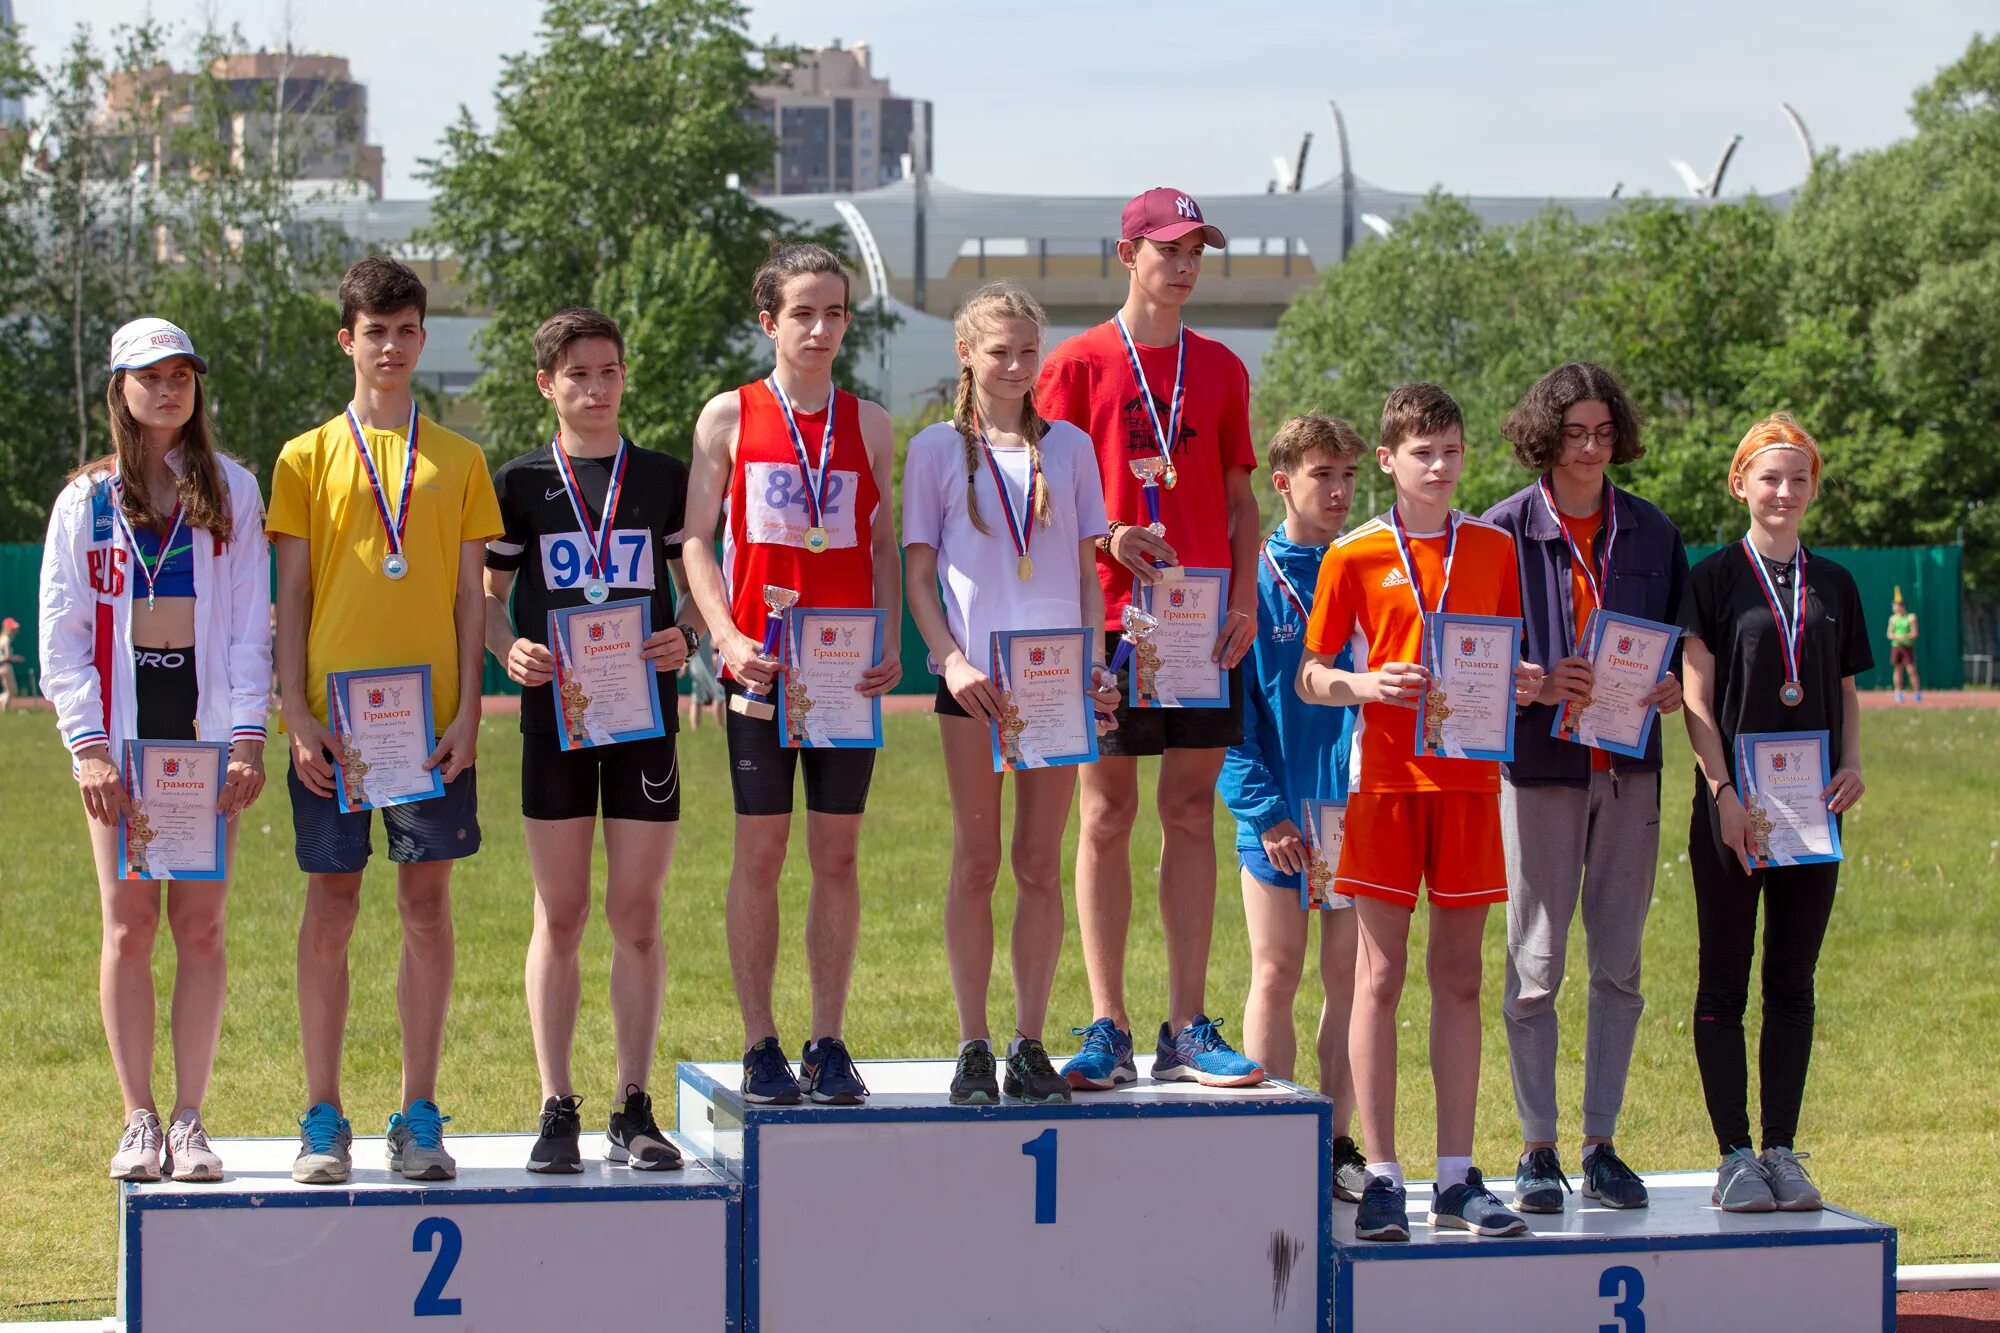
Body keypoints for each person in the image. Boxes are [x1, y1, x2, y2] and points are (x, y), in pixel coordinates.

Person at [270, 257, 503, 1184]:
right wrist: (292, 710)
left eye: (408, 331)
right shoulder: (305, 456)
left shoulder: (461, 458)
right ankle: (323, 1116)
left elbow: (470, 599)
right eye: (377, 332)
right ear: (348, 340)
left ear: (421, 337)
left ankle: (419, 1113)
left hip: (430, 725)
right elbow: (292, 593)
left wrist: (472, 712)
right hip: (332, 726)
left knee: (426, 907)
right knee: (332, 905)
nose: (394, 347)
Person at [1295, 383, 1544, 1242]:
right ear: (1390, 463)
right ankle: (1386, 1176)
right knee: (1377, 975)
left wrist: (1525, 684)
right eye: (1422, 453)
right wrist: (1366, 684)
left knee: (1463, 977)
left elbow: (1511, 663)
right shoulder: (1356, 553)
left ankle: (1457, 1174)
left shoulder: (1494, 547)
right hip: (1385, 786)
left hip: (1471, 783)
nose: (1439, 466)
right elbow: (1311, 674)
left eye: (1452, 450)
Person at [1036, 188, 1264, 1090]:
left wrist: (1245, 596)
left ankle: (1186, 1023)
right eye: (1167, 247)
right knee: (1105, 814)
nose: (1183, 263)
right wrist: (1107, 540)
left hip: (1203, 623)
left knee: (1190, 814)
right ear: (1127, 253)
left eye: (1194, 248)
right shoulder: (1077, 364)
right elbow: (1041, 499)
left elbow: (1242, 500)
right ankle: (1107, 1021)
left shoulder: (1220, 367)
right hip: (1107, 624)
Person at [38, 318, 271, 1181]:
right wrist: (88, 748)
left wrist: (248, 736)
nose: (169, 388)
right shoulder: (83, 502)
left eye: (182, 374)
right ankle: (138, 1117)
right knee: (130, 927)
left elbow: (251, 625)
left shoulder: (234, 490)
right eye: (150, 375)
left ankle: (191, 1116)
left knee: (201, 928)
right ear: (120, 389)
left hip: (205, 743)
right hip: (124, 744)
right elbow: (62, 637)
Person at [681, 243, 902, 1106]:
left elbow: (881, 542)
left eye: (836, 312)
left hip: (844, 672)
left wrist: (886, 634)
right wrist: (725, 637)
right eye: (803, 312)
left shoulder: (872, 423)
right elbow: (696, 538)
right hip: (760, 667)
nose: (820, 328)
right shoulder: (727, 417)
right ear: (769, 320)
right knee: (761, 852)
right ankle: (760, 1041)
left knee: (837, 854)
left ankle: (829, 1038)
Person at [484, 308, 698, 1173]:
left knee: (636, 913)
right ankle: (556, 1102)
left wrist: (688, 631)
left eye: (608, 371)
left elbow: (701, 587)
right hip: (555, 722)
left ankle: (633, 1102)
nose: (596, 388)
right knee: (562, 913)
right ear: (548, 384)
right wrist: (509, 647)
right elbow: (486, 599)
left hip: (644, 719)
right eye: (578, 375)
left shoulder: (663, 478)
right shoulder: (521, 481)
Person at [903, 283, 1120, 1105]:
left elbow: (1087, 571)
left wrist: (1096, 660)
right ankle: (972, 1043)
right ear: (966, 353)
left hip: (1056, 682)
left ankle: (1029, 1041)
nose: (1018, 366)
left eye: (1030, 351)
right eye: (1000, 351)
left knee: (1038, 864)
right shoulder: (934, 450)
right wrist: (950, 659)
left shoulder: (1067, 447)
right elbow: (921, 577)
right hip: (976, 684)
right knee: (976, 860)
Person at [1483, 363, 1688, 1214]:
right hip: (1540, 771)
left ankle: (1601, 1143)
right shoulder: (1499, 532)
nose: (1592, 447)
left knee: (1621, 967)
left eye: (1604, 431)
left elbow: (1676, 644)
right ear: (1546, 435)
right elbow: (1468, 664)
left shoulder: (1651, 530)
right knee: (1536, 963)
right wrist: (1528, 678)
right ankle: (1537, 1148)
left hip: (1629, 770)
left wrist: (1672, 682)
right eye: (1575, 433)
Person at [1679, 412, 1868, 1213]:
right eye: (1769, 477)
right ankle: (1732, 1154)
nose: (1783, 491)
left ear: (1812, 488)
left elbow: (1848, 692)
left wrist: (1853, 764)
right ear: (1740, 484)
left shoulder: (1836, 585)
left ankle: (1782, 1148)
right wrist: (1722, 794)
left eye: (1797, 478)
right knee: (1725, 982)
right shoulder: (1714, 577)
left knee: (1792, 981)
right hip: (1735, 811)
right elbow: (1693, 695)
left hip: (1810, 811)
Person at [1220, 414, 1368, 1198]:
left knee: (1347, 981)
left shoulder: (1370, 566)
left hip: (1355, 808)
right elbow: (1227, 712)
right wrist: (1264, 810)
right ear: (1282, 482)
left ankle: (1339, 1142)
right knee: (1276, 970)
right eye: (1322, 475)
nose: (1339, 490)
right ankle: (1273, 1136)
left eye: (1347, 474)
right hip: (1277, 811)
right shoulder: (1250, 577)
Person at [1887, 591, 1920, 702]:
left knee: (1911, 670)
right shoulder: (1892, 619)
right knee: (1898, 670)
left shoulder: (1911, 617)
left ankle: (1917, 692)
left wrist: (1904, 636)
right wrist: (1897, 637)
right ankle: (1898, 692)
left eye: (1895, 606)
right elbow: (1889, 634)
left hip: (1907, 647)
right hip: (1896, 647)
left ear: (1901, 606)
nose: (1894, 608)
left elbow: (1915, 633)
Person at [0, 615, 22, 711]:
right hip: (6, 666)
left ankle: (5, 710)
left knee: (10, 691)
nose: (15, 631)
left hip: (2, 666)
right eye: (12, 629)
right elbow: (7, 656)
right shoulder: (7, 640)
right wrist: (17, 658)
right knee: (11, 691)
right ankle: (5, 710)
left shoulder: (1, 639)